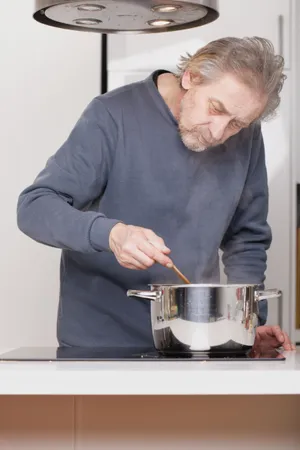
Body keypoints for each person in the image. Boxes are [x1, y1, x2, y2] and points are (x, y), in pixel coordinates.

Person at [17, 36, 295, 351]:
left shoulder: (247, 136)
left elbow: (247, 240)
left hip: (197, 342)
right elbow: (34, 207)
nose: (219, 133)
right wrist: (111, 234)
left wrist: (246, 325)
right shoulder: (112, 115)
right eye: (215, 109)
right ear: (191, 76)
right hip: (99, 345)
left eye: (236, 124)